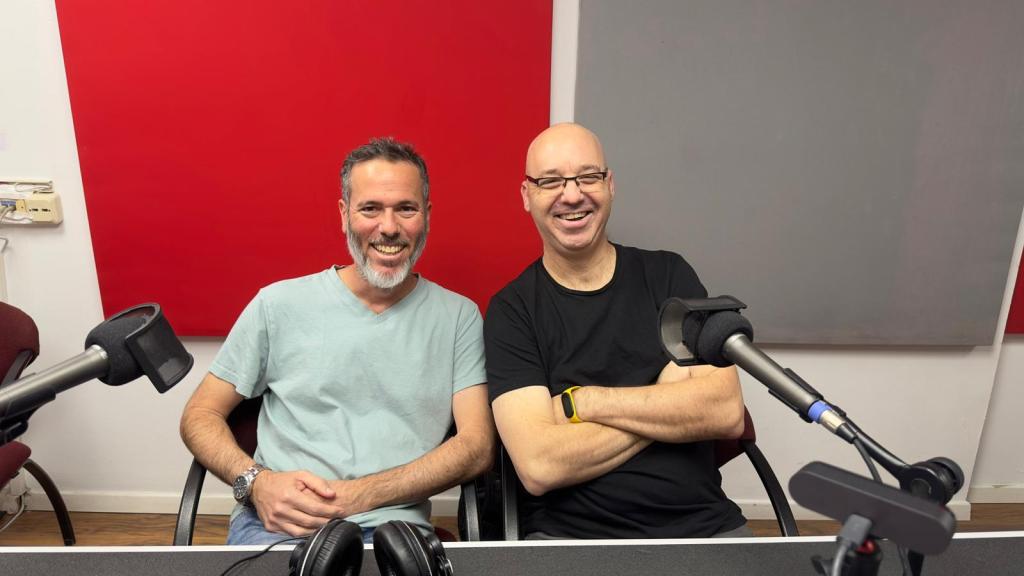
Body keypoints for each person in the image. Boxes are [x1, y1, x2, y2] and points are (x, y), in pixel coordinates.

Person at [180, 137, 494, 545]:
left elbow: (476, 446)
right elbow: (200, 414)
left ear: (427, 216)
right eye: (370, 209)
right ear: (344, 215)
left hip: (394, 533)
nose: (389, 227)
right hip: (279, 526)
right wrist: (256, 483)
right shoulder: (277, 304)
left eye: (406, 208)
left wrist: (356, 497)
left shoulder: (459, 317)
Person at [484, 123, 748, 539]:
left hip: (703, 528)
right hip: (569, 541)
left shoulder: (670, 276)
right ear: (526, 196)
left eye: (587, 176)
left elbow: (725, 412)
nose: (572, 195)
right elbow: (539, 466)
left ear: (610, 185)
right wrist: (666, 401)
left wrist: (582, 402)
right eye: (550, 181)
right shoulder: (512, 311)